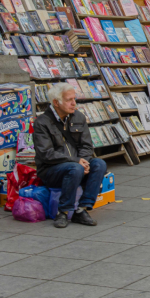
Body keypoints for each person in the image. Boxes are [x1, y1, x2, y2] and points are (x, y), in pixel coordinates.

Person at [33, 82, 107, 228]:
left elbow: (86, 145)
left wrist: (84, 161)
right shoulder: (42, 123)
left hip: (77, 166)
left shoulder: (78, 117)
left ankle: (81, 209)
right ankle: (63, 211)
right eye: (69, 100)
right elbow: (46, 154)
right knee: (75, 168)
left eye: (74, 99)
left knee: (99, 164)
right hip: (51, 170)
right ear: (56, 103)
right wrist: (76, 161)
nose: (74, 103)